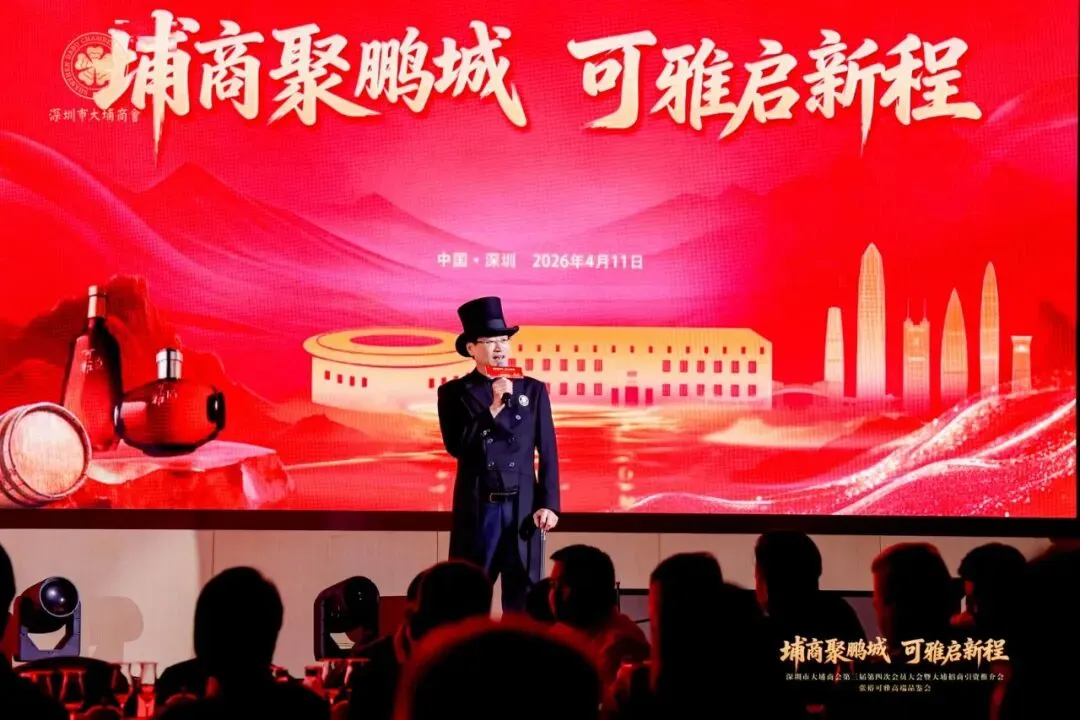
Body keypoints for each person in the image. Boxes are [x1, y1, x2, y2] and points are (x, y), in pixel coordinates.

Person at [437, 296, 560, 612]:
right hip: (481, 507)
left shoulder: (532, 389)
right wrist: (492, 409)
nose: (499, 348)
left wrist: (549, 503)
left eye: (503, 340)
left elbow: (547, 448)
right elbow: (456, 446)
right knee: (468, 598)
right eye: (490, 341)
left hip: (523, 508)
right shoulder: (454, 393)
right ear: (471, 348)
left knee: (523, 600)